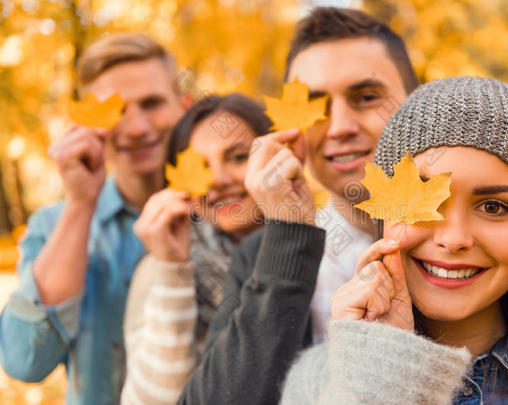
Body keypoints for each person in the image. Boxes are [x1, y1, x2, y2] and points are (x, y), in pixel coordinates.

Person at [280, 77, 508, 405]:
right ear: (383, 215)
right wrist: (378, 373)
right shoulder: (316, 383)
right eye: (425, 201)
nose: (453, 239)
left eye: (493, 207)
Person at [179, 6, 418, 404]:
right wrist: (289, 235)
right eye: (316, 106)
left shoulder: (461, 243)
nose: (339, 126)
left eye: (366, 97)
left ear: (414, 101)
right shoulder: (261, 256)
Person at [0, 33, 189, 404]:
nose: (136, 128)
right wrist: (81, 204)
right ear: (87, 123)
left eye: (152, 103)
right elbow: (24, 361)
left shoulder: (226, 214)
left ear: (184, 106)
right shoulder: (54, 224)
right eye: (116, 110)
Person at [121, 93, 271, 405]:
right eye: (200, 167)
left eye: (238, 157)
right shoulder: (157, 271)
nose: (218, 179)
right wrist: (172, 270)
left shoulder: (320, 247)